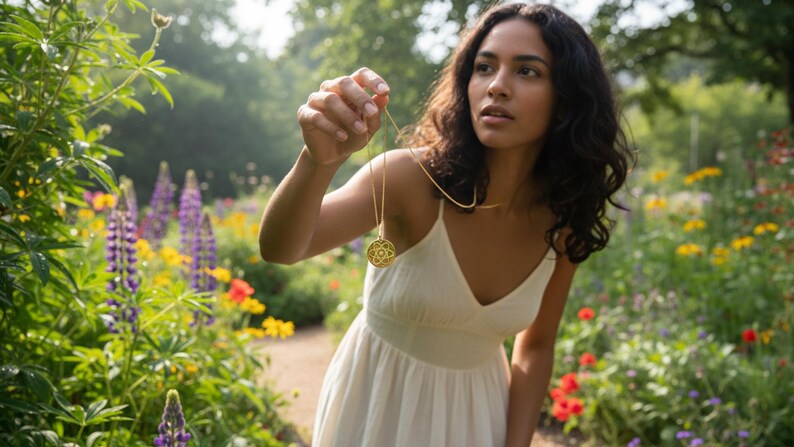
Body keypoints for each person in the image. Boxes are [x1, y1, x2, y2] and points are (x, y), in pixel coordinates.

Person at [258, 2, 633, 446]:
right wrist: (317, 161)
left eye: (527, 71)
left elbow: (536, 347)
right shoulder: (408, 178)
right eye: (484, 67)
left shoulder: (564, 219)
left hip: (480, 419)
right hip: (378, 408)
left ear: (567, 99)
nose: (497, 86)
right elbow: (281, 249)